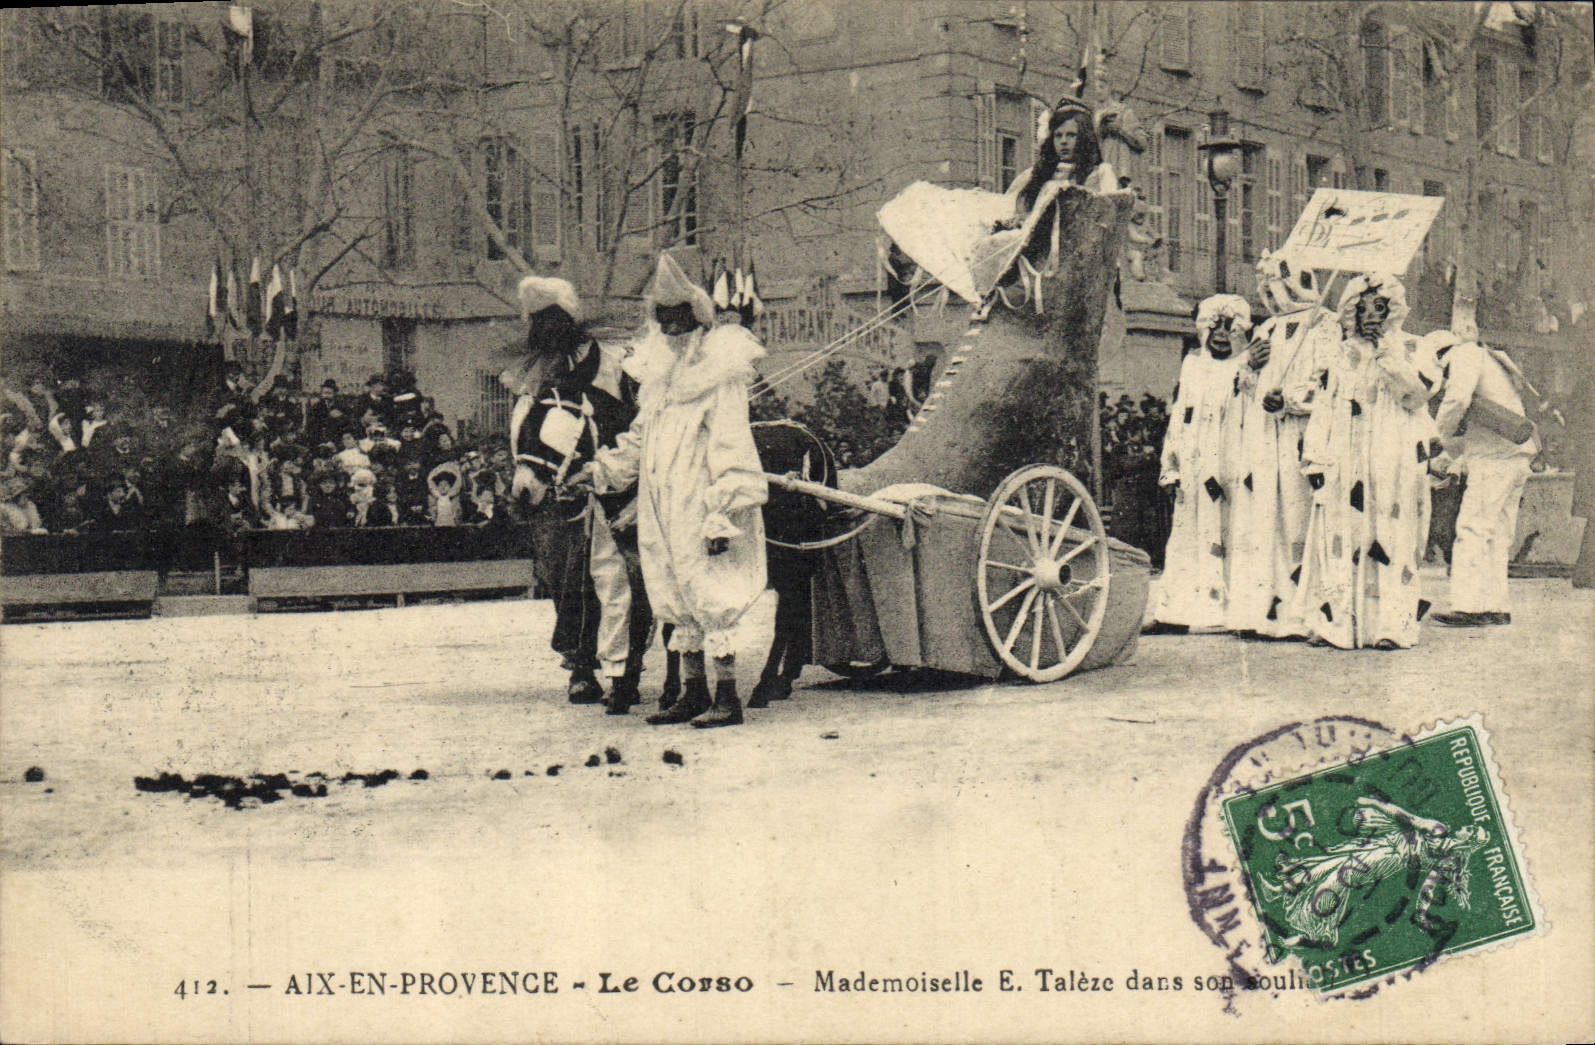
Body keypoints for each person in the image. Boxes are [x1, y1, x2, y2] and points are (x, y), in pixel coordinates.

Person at [580, 254, 769, 728]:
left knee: (709, 590)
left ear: (699, 322)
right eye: (663, 321)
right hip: (662, 505)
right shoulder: (661, 385)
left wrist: (723, 512)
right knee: (672, 587)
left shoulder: (718, 377)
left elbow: (731, 443)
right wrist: (601, 470)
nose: (671, 330)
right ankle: (693, 691)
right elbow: (639, 440)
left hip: (701, 503)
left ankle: (727, 696)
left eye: (679, 320)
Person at [1294, 274, 1435, 650]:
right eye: (1363, 308)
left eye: (1380, 307)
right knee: (1344, 534)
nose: (1371, 315)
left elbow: (1416, 396)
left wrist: (1387, 355)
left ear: (1394, 310)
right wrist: (1315, 460)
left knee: (1389, 535)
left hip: (1392, 455)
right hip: (1347, 455)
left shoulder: (1411, 348)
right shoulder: (1340, 354)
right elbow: (1324, 408)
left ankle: (1391, 625)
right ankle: (1338, 623)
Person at [1225, 253, 1338, 639]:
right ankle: (1264, 612)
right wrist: (1248, 366)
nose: (1271, 296)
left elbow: (1329, 383)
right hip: (1264, 437)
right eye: (1266, 290)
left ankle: (1303, 613)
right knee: (1264, 519)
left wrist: (1290, 400)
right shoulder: (1268, 328)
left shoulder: (1325, 325)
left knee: (1297, 517)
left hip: (1302, 435)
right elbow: (1246, 385)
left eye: (1276, 287)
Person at [1151, 294, 1252, 632]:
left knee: (1227, 530)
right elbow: (1180, 415)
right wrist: (1171, 467)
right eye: (1215, 326)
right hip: (1194, 462)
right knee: (1186, 532)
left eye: (1229, 327)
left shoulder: (1245, 366)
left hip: (1229, 461)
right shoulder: (1192, 364)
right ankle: (1176, 612)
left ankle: (1226, 610)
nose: (1221, 334)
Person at [1424, 331, 1538, 626]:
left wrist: (1437, 435)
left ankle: (1468, 606)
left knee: (1472, 529)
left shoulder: (1465, 355)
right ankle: (1496, 605)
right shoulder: (1489, 358)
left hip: (1494, 459)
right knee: (1497, 535)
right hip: (1515, 455)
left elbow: (1457, 400)